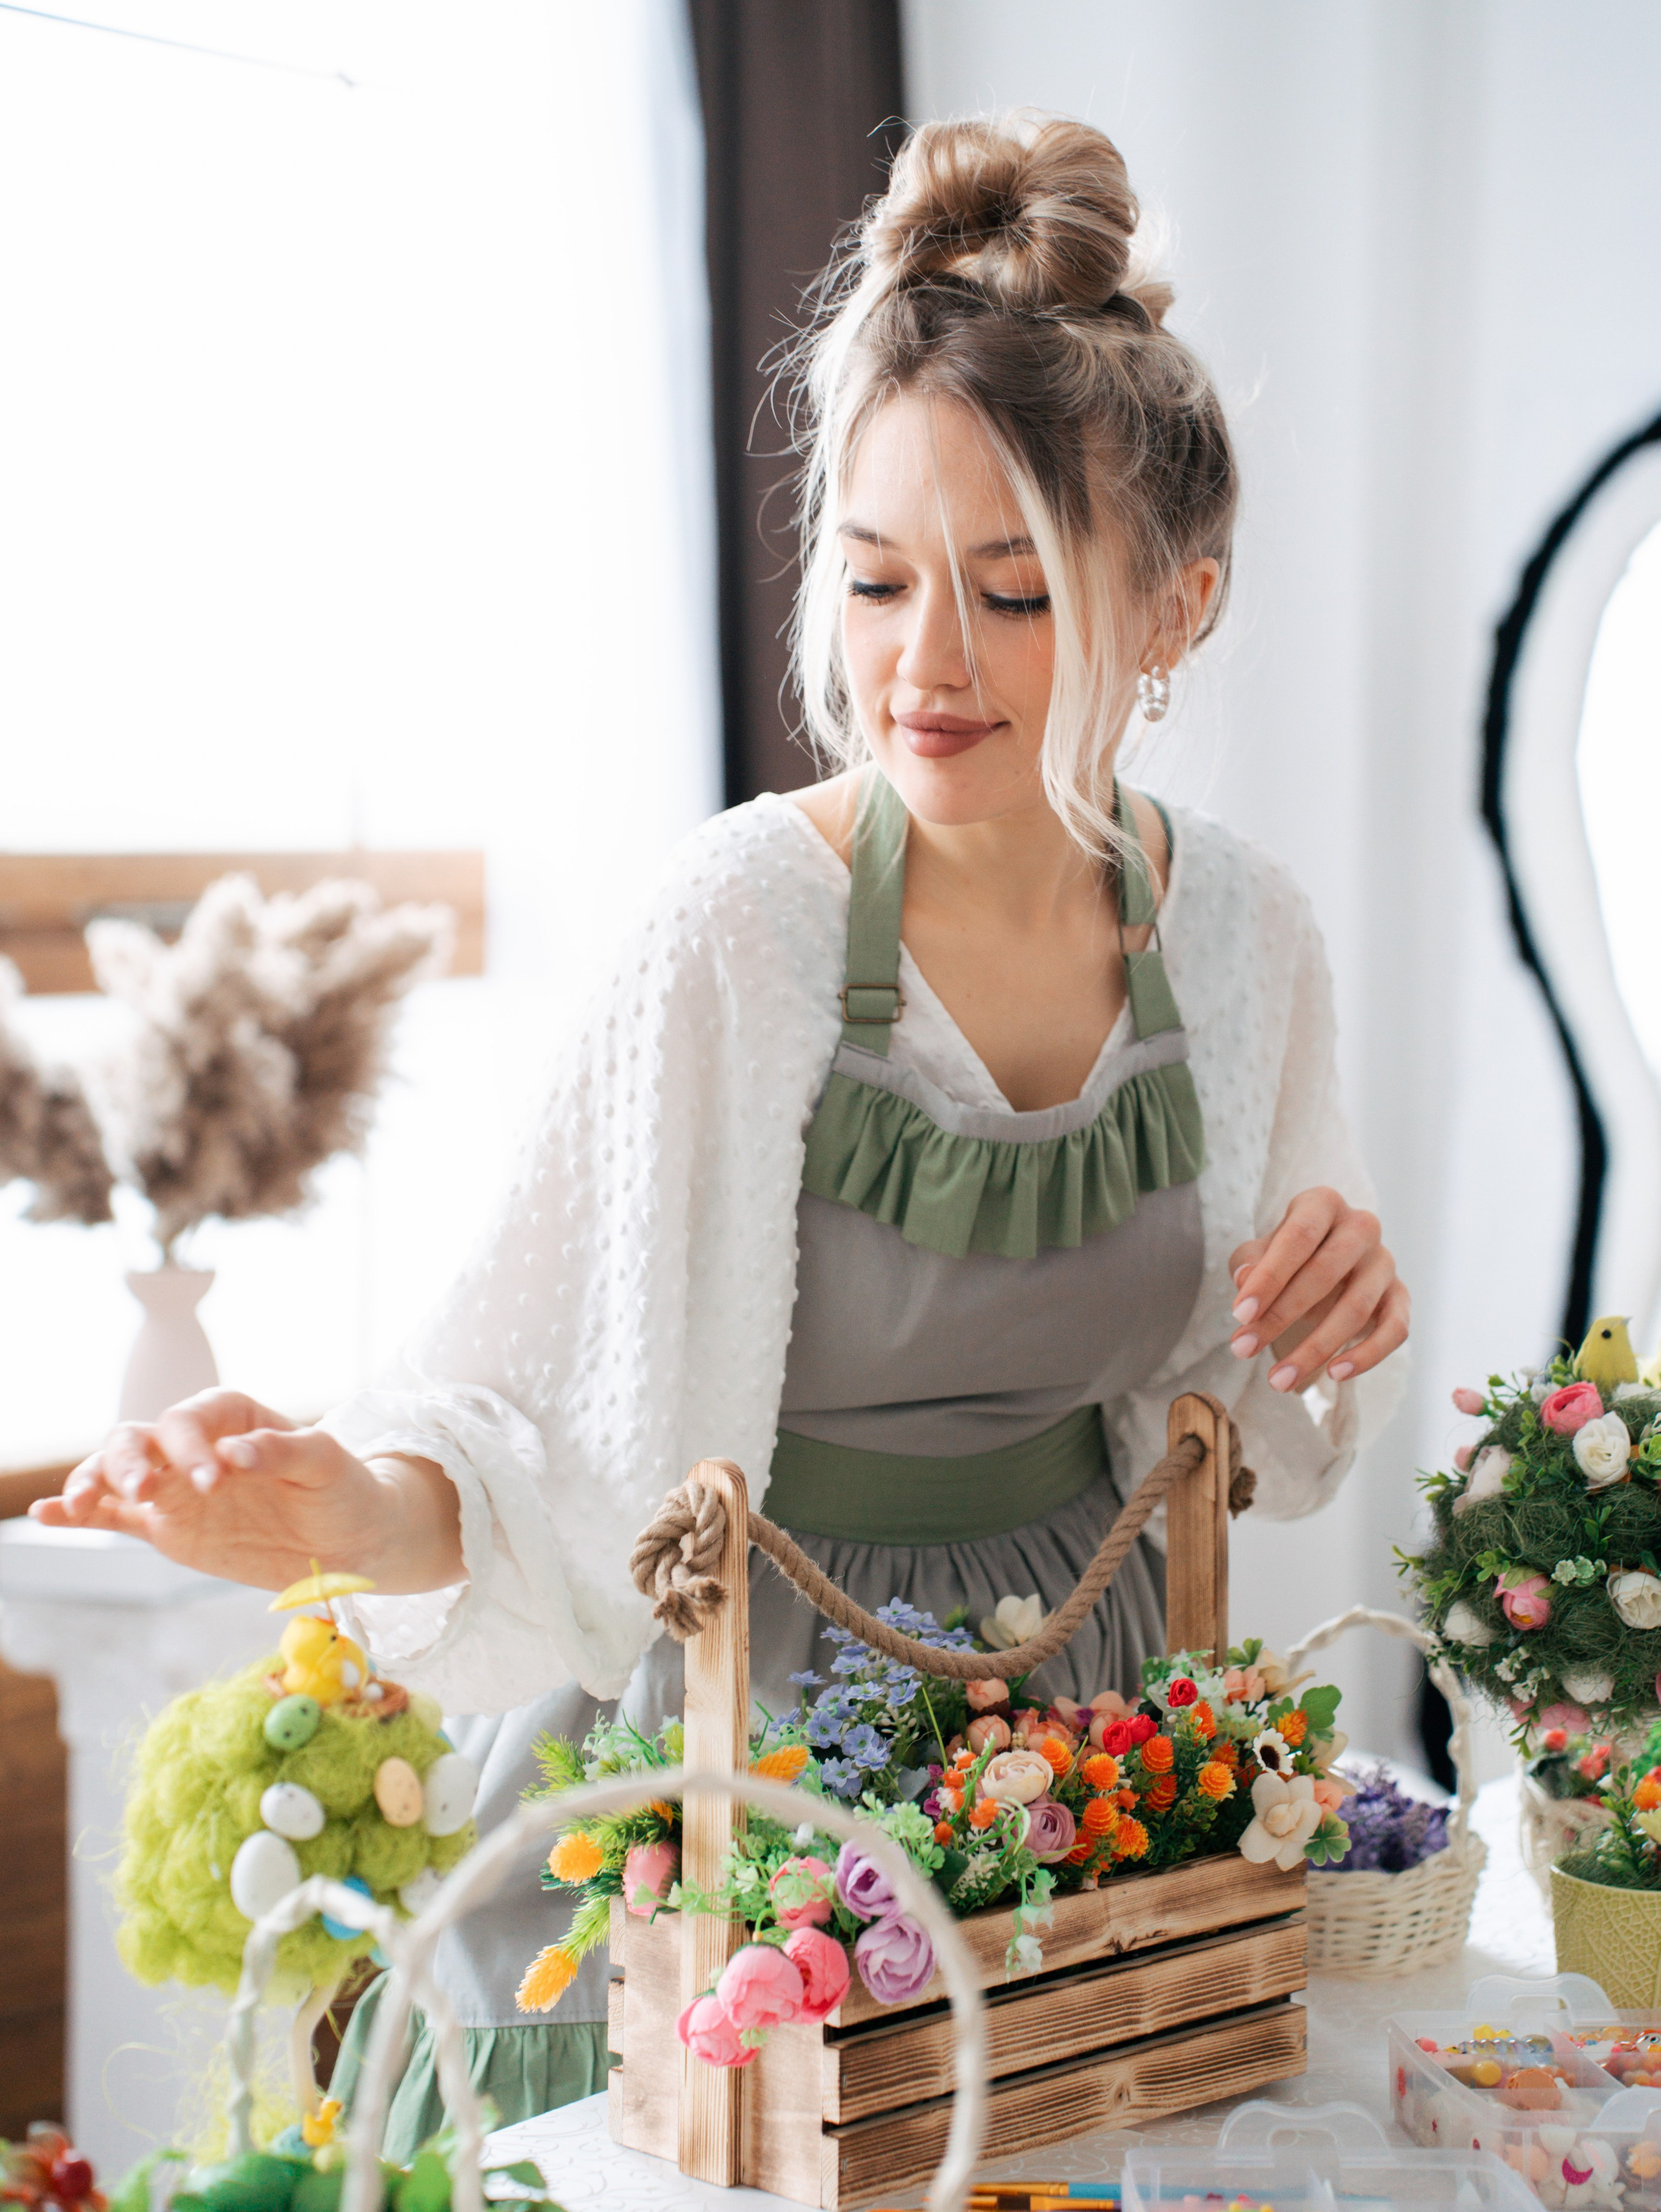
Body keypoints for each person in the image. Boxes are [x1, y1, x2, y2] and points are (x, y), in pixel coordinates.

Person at [36, 112, 1408, 2149]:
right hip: (743, 1753)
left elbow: (1255, 1427)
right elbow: (538, 1437)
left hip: (1090, 1754)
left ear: (1175, 604)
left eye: (1013, 591)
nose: (923, 664)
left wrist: (1333, 1303)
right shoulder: (738, 932)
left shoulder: (1242, 938)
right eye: (874, 578)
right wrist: (342, 1510)